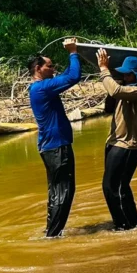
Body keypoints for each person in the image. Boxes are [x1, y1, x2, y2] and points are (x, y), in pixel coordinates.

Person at [28, 38, 82, 238]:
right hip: (56, 147)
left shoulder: (40, 88)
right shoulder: (42, 87)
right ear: (38, 68)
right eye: (50, 66)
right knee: (64, 192)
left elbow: (68, 75)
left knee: (56, 192)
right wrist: (73, 52)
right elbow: (73, 76)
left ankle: (51, 231)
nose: (53, 69)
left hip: (51, 146)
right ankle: (52, 235)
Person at [96, 48, 137, 231]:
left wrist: (104, 69)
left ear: (136, 75)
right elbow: (108, 107)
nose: (124, 77)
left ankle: (122, 226)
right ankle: (134, 222)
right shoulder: (125, 90)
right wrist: (116, 82)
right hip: (115, 143)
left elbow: (115, 91)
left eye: (127, 74)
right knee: (120, 187)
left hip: (127, 147)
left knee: (112, 187)